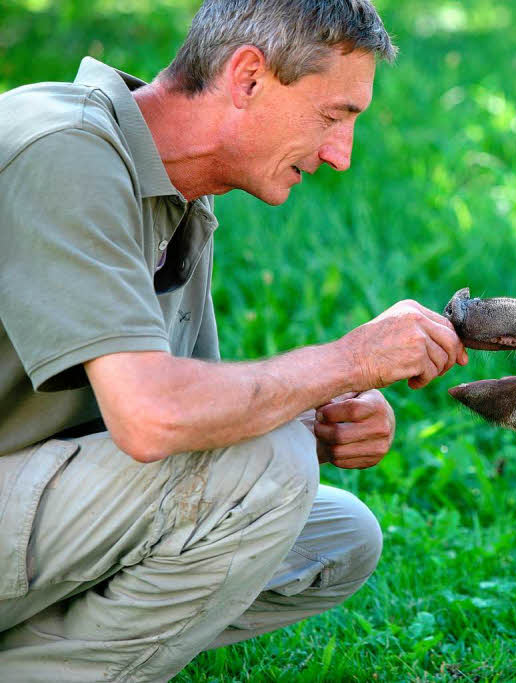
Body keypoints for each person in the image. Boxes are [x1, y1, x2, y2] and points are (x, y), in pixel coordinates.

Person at [0, 1, 467, 679]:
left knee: (339, 538)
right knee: (268, 471)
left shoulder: (175, 195)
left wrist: (317, 418)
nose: (340, 155)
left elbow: (192, 435)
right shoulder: (62, 150)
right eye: (333, 115)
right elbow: (155, 416)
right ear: (248, 77)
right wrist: (350, 359)